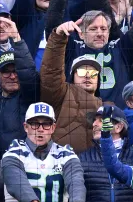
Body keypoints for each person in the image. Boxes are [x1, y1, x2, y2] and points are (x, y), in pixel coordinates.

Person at [0, 102, 90, 202]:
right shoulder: (14, 152)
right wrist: (31, 200)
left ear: (53, 127)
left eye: (46, 124)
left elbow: (75, 179)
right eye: (34, 124)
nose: (40, 129)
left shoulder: (66, 154)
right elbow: (14, 179)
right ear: (25, 127)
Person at [41, 16, 104, 152]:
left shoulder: (107, 108)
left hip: (96, 169)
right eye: (81, 71)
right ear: (72, 76)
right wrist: (58, 38)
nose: (87, 75)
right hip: (61, 166)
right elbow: (52, 71)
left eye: (93, 73)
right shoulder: (61, 95)